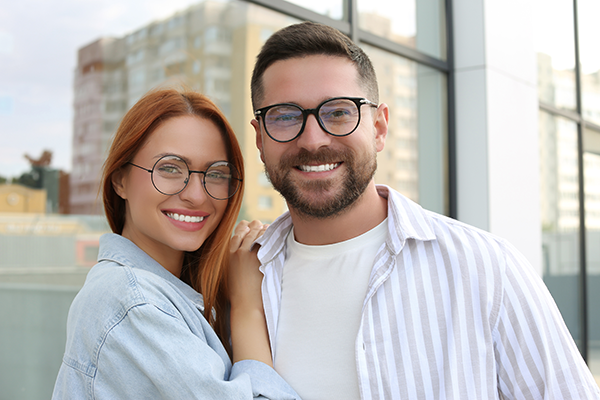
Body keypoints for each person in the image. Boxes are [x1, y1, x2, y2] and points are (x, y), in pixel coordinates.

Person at [247, 21, 600, 399]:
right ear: (259, 138)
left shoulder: (487, 269)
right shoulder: (243, 279)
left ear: (379, 128)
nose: (313, 139)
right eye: (284, 116)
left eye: (338, 112)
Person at [52, 88, 300, 399]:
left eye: (216, 174)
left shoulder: (173, 293)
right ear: (120, 180)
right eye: (170, 168)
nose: (196, 195)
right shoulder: (133, 302)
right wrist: (246, 306)